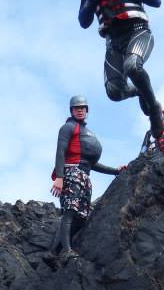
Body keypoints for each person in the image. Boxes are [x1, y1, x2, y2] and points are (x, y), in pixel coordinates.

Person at [78, 0, 164, 139]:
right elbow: (83, 22)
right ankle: (142, 91)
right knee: (114, 92)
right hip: (113, 42)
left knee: (133, 66)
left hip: (137, 31)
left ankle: (153, 109)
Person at [50, 95, 126, 260]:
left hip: (85, 176)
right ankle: (67, 250)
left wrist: (115, 171)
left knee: (81, 216)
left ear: (87, 110)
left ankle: (53, 252)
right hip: (71, 173)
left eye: (82, 108)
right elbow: (60, 151)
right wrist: (60, 177)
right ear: (72, 111)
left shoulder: (87, 132)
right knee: (70, 211)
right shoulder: (68, 128)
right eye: (76, 108)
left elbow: (93, 164)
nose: (80, 110)